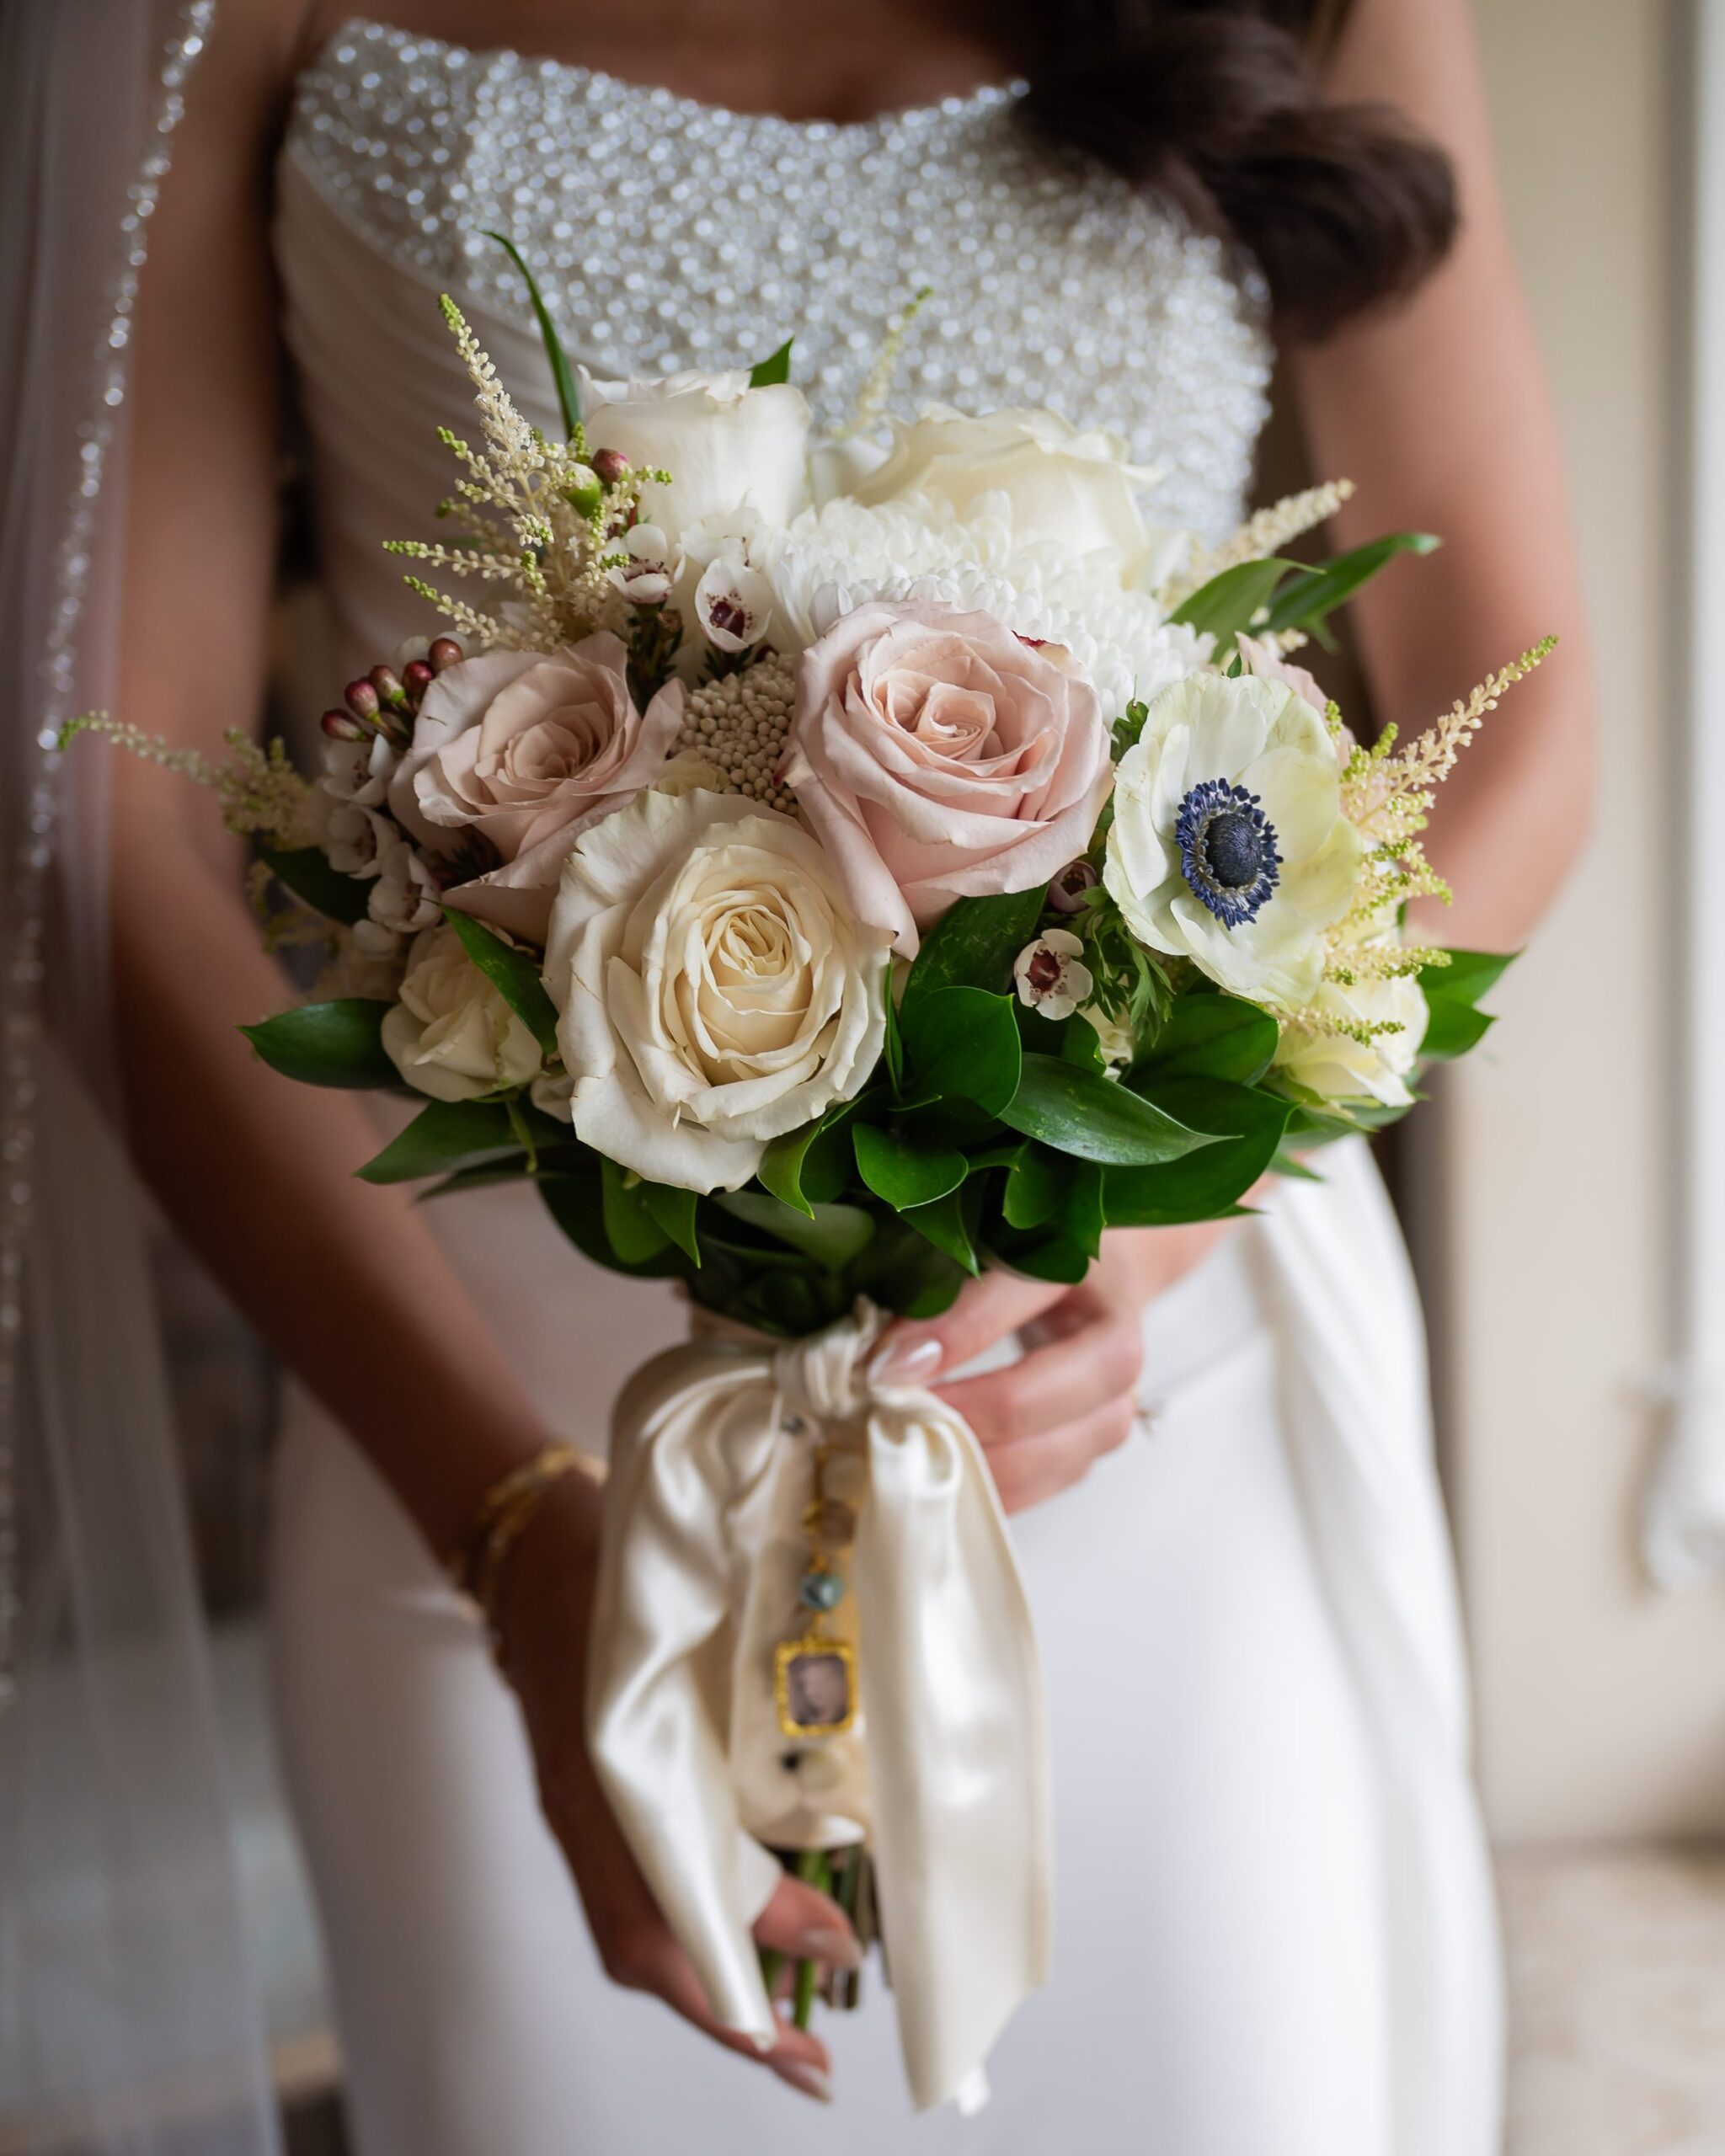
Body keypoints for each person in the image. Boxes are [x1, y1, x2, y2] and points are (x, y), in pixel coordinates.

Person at [89, 0, 1593, 2148]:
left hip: (1146, 1384)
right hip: (500, 1422)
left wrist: (1143, 1228)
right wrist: (516, 1543)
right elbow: (102, 815)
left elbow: (1516, 712)